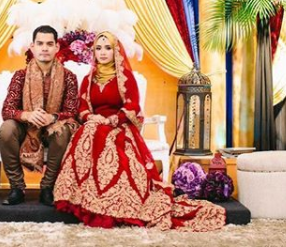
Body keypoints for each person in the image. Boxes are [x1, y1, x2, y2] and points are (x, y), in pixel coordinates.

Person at [53, 31, 225, 231]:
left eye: (108, 48)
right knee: (88, 132)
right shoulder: (89, 79)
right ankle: (84, 199)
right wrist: (91, 117)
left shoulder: (125, 77)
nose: (103, 52)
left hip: (119, 126)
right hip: (95, 124)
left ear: (116, 51)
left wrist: (113, 119)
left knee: (106, 139)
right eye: (98, 48)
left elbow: (132, 106)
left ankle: (115, 203)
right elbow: (82, 107)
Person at [0, 25, 80, 206]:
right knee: (6, 129)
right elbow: (7, 110)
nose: (44, 48)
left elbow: (72, 111)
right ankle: (17, 188)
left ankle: (47, 188)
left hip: (52, 128)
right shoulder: (21, 76)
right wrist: (27, 115)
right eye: (40, 43)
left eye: (49, 44)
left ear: (56, 47)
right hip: (26, 128)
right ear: (32, 46)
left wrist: (53, 118)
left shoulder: (68, 77)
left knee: (62, 131)